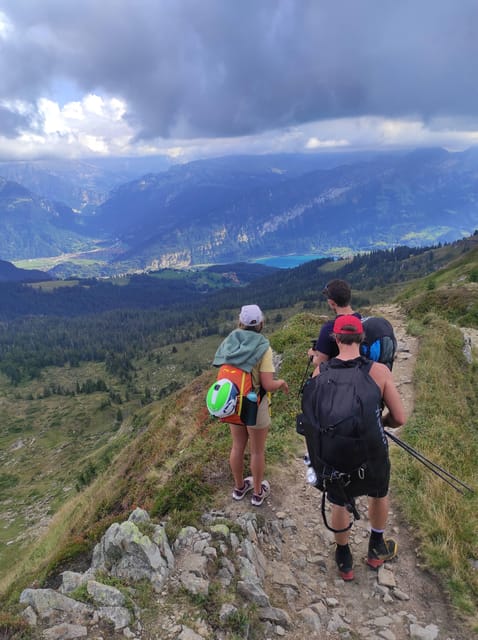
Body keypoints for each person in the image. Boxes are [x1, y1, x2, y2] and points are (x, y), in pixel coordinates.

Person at [322, 314, 406, 581]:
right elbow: (399, 418)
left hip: (336, 451)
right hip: (371, 451)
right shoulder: (380, 372)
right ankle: (375, 549)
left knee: (339, 500)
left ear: (336, 338)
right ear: (362, 339)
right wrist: (380, 422)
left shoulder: (320, 372)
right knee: (378, 493)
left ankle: (344, 557)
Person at [212, 304, 289, 506]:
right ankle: (257, 493)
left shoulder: (230, 341)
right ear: (261, 323)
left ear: (240, 322)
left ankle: (239, 488)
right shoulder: (263, 347)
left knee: (237, 446)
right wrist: (281, 383)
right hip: (255, 404)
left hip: (234, 402)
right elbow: (267, 385)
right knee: (257, 451)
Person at [307, 279, 361, 375]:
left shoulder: (328, 328)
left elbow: (320, 362)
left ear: (332, 303)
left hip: (336, 377)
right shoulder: (361, 320)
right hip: (360, 372)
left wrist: (312, 354)